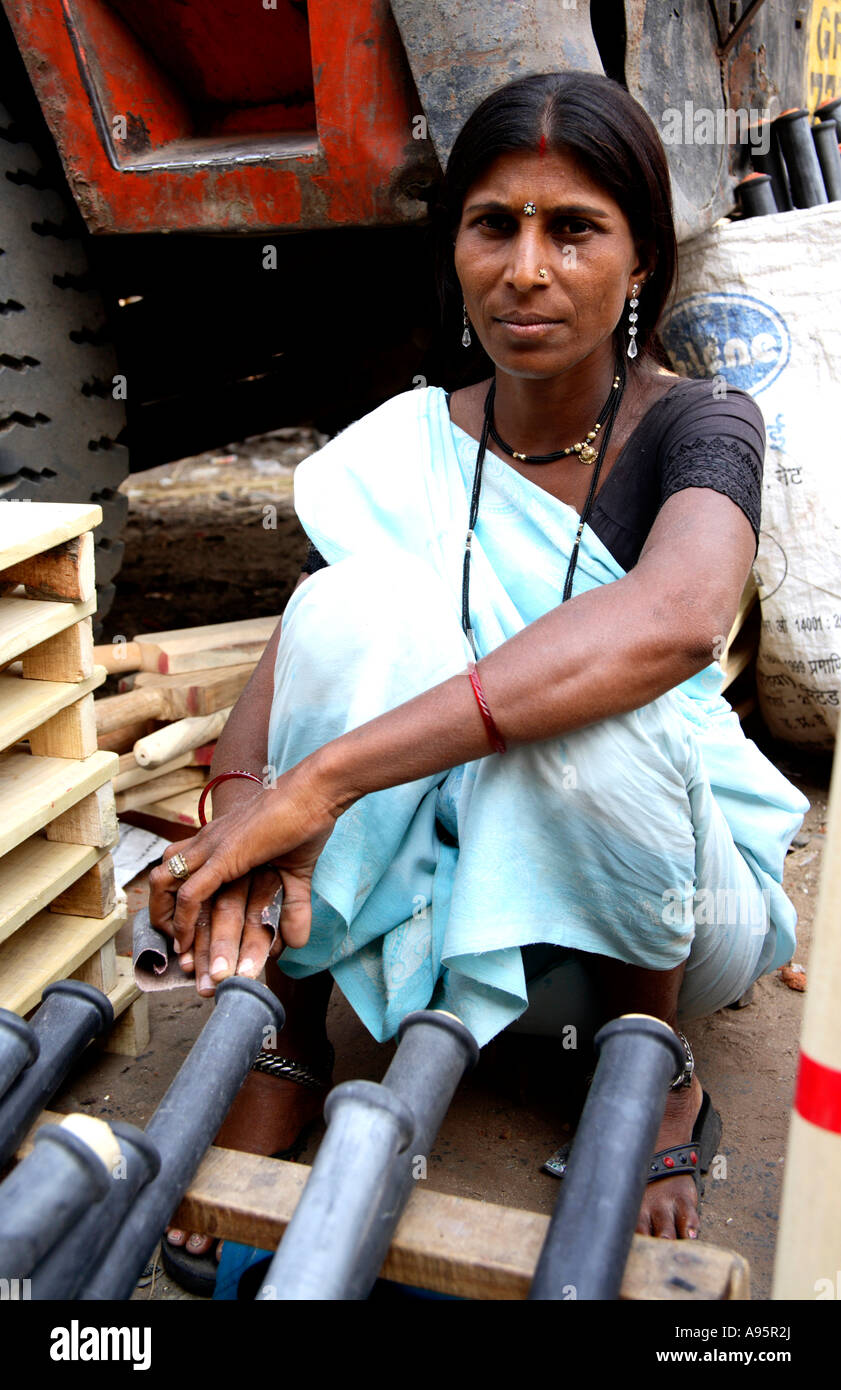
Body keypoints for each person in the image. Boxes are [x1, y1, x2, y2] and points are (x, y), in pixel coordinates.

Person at [150, 71, 809, 1292]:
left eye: (574, 229)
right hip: (449, 876)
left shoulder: (697, 424)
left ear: (640, 261)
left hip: (654, 901)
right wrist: (241, 810)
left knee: (587, 705)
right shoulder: (403, 444)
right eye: (493, 223)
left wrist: (328, 783)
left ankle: (649, 1064)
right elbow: (303, 654)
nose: (526, 266)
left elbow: (672, 625)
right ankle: (289, 1039)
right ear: (454, 245)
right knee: (348, 598)